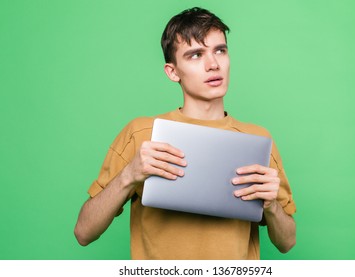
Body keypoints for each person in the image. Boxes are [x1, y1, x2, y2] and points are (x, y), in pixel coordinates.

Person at [74, 7, 296, 260]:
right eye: (195, 55)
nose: (213, 64)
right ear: (173, 71)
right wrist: (129, 176)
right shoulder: (141, 133)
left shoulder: (257, 140)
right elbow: (84, 232)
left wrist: (271, 206)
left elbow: (287, 242)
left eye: (220, 50)